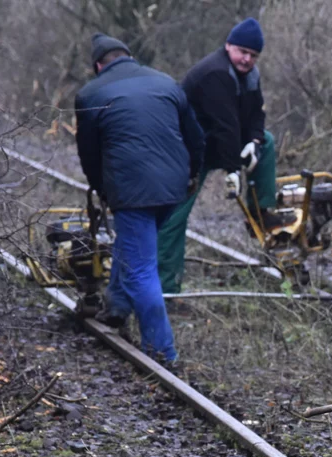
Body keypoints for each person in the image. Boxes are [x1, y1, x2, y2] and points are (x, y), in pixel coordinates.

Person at [75, 33, 203, 365]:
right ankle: (116, 307)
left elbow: (89, 154)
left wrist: (100, 188)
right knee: (134, 246)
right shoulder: (167, 83)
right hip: (173, 187)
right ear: (129, 57)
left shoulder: (90, 93)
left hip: (133, 190)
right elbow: (196, 137)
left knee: (141, 269)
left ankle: (162, 353)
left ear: (98, 65)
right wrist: (192, 175)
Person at [157, 16, 281, 295]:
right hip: (186, 151)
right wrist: (233, 170)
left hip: (213, 142)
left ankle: (260, 212)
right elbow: (225, 124)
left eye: (253, 55)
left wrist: (254, 141)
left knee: (268, 142)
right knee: (175, 218)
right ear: (228, 46)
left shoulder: (250, 75)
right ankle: (166, 291)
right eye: (242, 52)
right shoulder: (215, 72)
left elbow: (255, 113)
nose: (247, 59)